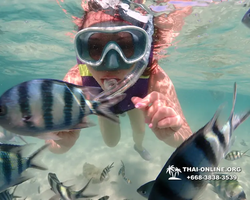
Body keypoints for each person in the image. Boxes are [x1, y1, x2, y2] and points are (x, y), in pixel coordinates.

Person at [46, 0, 193, 160]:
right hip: (103, 106)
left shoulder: (154, 76)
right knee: (111, 142)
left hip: (135, 102)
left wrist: (172, 135)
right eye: (95, 47)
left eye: (126, 46)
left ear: (143, 49)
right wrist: (61, 143)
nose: (111, 63)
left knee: (140, 131)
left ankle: (138, 146)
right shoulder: (76, 78)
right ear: (82, 49)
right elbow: (52, 142)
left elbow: (187, 137)